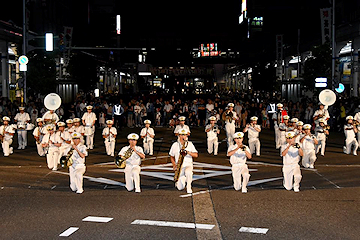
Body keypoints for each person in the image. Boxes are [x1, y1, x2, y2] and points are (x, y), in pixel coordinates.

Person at [169, 129, 198, 194]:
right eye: (182, 135)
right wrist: (174, 164)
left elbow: (196, 155)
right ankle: (183, 179)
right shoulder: (175, 145)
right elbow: (171, 156)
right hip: (180, 166)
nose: (183, 136)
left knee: (188, 173)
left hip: (188, 165)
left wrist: (188, 152)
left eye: (184, 135)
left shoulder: (190, 144)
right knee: (180, 187)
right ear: (179, 136)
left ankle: (189, 186)